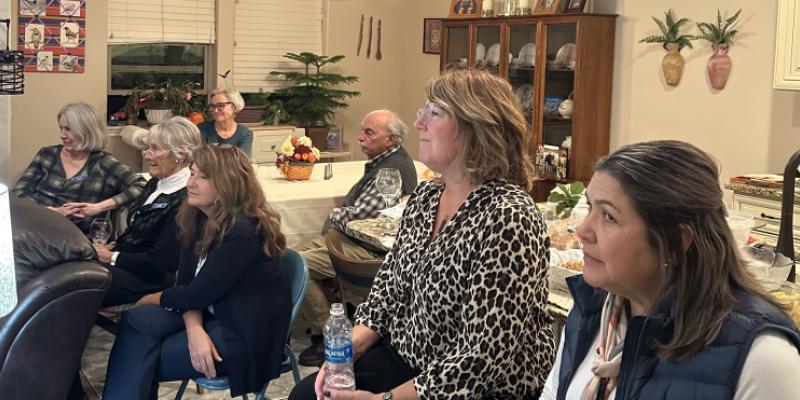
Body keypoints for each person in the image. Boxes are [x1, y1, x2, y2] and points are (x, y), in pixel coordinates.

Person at [290, 68, 555, 399]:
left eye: (434, 113)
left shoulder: (508, 217)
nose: (418, 124)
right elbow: (387, 290)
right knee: (307, 395)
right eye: (422, 112)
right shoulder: (427, 197)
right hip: (411, 355)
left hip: (475, 386)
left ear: (476, 127)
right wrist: (346, 354)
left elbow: (482, 358)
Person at [539, 140, 800, 400]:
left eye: (608, 216)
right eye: (590, 208)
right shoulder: (594, 309)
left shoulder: (762, 357)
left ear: (675, 243)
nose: (583, 231)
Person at [102, 144, 291, 399]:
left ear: (228, 183)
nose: (191, 182)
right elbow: (188, 286)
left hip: (241, 329)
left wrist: (152, 298)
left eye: (203, 176)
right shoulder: (197, 217)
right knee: (136, 321)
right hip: (211, 312)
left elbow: (195, 294)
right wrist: (194, 330)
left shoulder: (243, 231)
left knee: (141, 356)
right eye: (192, 173)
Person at [295, 109, 418, 367]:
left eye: (368, 132)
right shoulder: (385, 160)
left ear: (391, 139)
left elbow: (359, 217)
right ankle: (333, 316)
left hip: (368, 248)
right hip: (352, 238)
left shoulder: (392, 168)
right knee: (285, 257)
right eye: (362, 130)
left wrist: (335, 213)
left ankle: (327, 335)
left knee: (299, 267)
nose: (360, 137)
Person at [94, 117, 202, 307]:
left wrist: (109, 257)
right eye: (148, 148)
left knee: (74, 286)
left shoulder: (185, 200)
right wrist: (112, 249)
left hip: (150, 279)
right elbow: (137, 229)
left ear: (181, 155)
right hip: (125, 264)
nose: (147, 155)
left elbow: (161, 262)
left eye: (155, 149)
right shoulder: (155, 183)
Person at [13, 102, 145, 233]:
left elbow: (141, 185)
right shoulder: (47, 155)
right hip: (34, 226)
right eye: (61, 128)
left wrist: (98, 207)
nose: (62, 135)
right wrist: (52, 211)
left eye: (68, 130)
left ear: (87, 132)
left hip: (73, 237)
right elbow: (18, 193)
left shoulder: (103, 163)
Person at [198, 87, 254, 156]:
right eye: (213, 106)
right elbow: (201, 159)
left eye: (221, 106)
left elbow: (242, 162)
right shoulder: (202, 129)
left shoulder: (245, 134)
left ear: (234, 107)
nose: (215, 110)